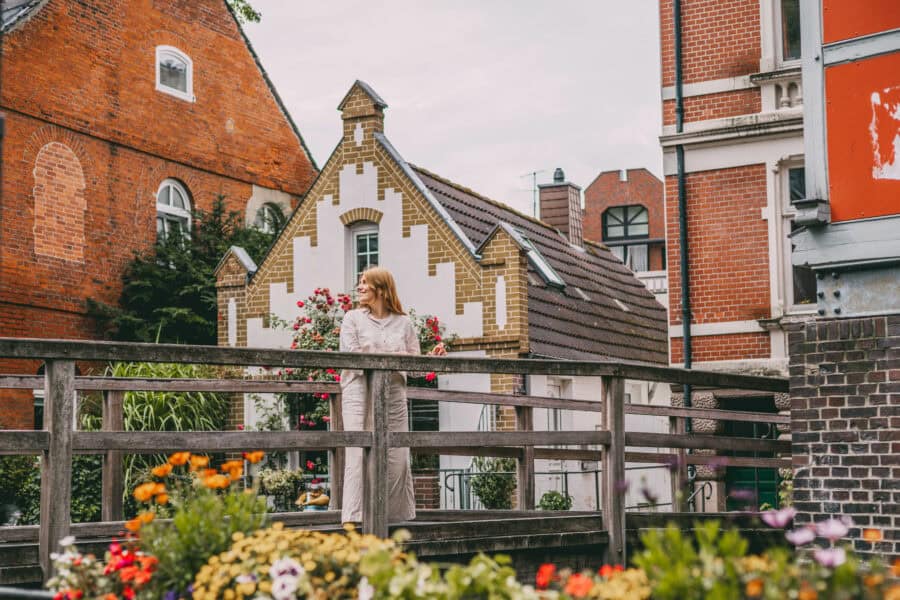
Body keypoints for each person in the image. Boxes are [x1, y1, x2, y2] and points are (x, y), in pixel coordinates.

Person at [339, 266, 445, 526]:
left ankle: (395, 517)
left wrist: (430, 359)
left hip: (394, 391)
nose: (360, 287)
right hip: (359, 390)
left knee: (397, 454)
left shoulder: (404, 322)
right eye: (359, 282)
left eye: (365, 283)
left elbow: (412, 364)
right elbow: (353, 354)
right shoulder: (352, 319)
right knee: (359, 451)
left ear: (381, 288)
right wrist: (389, 358)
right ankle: (354, 518)